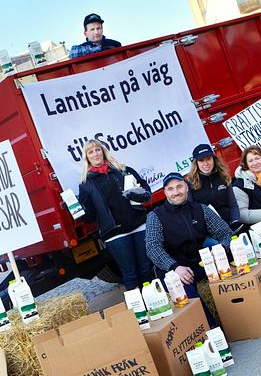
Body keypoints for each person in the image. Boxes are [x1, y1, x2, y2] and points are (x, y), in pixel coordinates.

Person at [145, 172, 232, 327]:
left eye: (179, 186)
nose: (176, 192)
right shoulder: (156, 216)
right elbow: (152, 247)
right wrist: (174, 267)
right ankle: (212, 331)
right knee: (183, 290)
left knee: (232, 258)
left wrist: (220, 251)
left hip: (201, 264)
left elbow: (225, 233)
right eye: (170, 189)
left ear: (186, 187)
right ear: (165, 193)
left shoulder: (200, 209)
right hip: (175, 270)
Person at [77, 139, 153, 289]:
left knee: (147, 270)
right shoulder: (86, 184)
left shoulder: (123, 169)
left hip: (138, 225)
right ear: (87, 157)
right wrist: (75, 210)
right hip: (114, 234)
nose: (95, 154)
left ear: (103, 151)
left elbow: (146, 190)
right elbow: (90, 216)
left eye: (97, 150)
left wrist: (139, 196)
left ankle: (157, 306)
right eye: (90, 152)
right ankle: (139, 310)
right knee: (130, 275)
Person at [187, 143, 241, 230]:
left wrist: (235, 221)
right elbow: (191, 213)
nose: (206, 163)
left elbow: (233, 204)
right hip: (208, 229)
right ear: (196, 163)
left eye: (208, 159)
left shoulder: (224, 176)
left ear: (214, 159)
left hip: (228, 223)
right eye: (201, 160)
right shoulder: (190, 183)